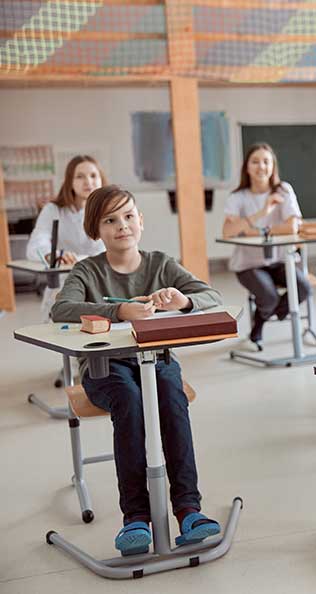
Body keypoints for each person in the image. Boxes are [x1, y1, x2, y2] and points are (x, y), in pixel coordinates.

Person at [52, 186, 222, 557]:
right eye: (110, 220)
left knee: (172, 399)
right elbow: (60, 309)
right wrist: (119, 311)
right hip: (104, 369)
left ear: (141, 221)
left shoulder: (161, 263)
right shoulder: (88, 270)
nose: (122, 226)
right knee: (129, 401)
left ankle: (189, 511)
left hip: (157, 361)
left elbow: (213, 297)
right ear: (96, 229)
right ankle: (136, 519)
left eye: (128, 217)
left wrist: (184, 300)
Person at [222, 143, 309, 348]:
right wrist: (263, 212)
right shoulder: (238, 197)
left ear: (273, 166)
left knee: (303, 289)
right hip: (248, 264)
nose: (261, 166)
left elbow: (292, 226)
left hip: (280, 260)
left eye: (266, 161)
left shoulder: (283, 190)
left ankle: (267, 312)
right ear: (247, 167)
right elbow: (228, 231)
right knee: (268, 296)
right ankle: (257, 330)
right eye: (255, 161)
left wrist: (260, 230)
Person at [26, 155, 106, 316]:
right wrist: (52, 255)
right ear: (69, 181)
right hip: (62, 287)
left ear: (101, 179)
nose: (88, 182)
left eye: (93, 175)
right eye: (80, 176)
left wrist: (76, 259)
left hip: (101, 284)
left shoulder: (109, 210)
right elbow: (35, 245)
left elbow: (110, 254)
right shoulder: (52, 210)